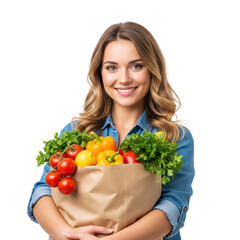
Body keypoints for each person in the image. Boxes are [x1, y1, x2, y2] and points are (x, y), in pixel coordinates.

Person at [27, 22, 194, 240]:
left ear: (153, 69)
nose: (124, 78)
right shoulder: (76, 132)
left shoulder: (175, 138)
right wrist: (66, 233)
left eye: (136, 66)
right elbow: (43, 191)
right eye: (112, 67)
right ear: (100, 73)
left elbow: (173, 206)